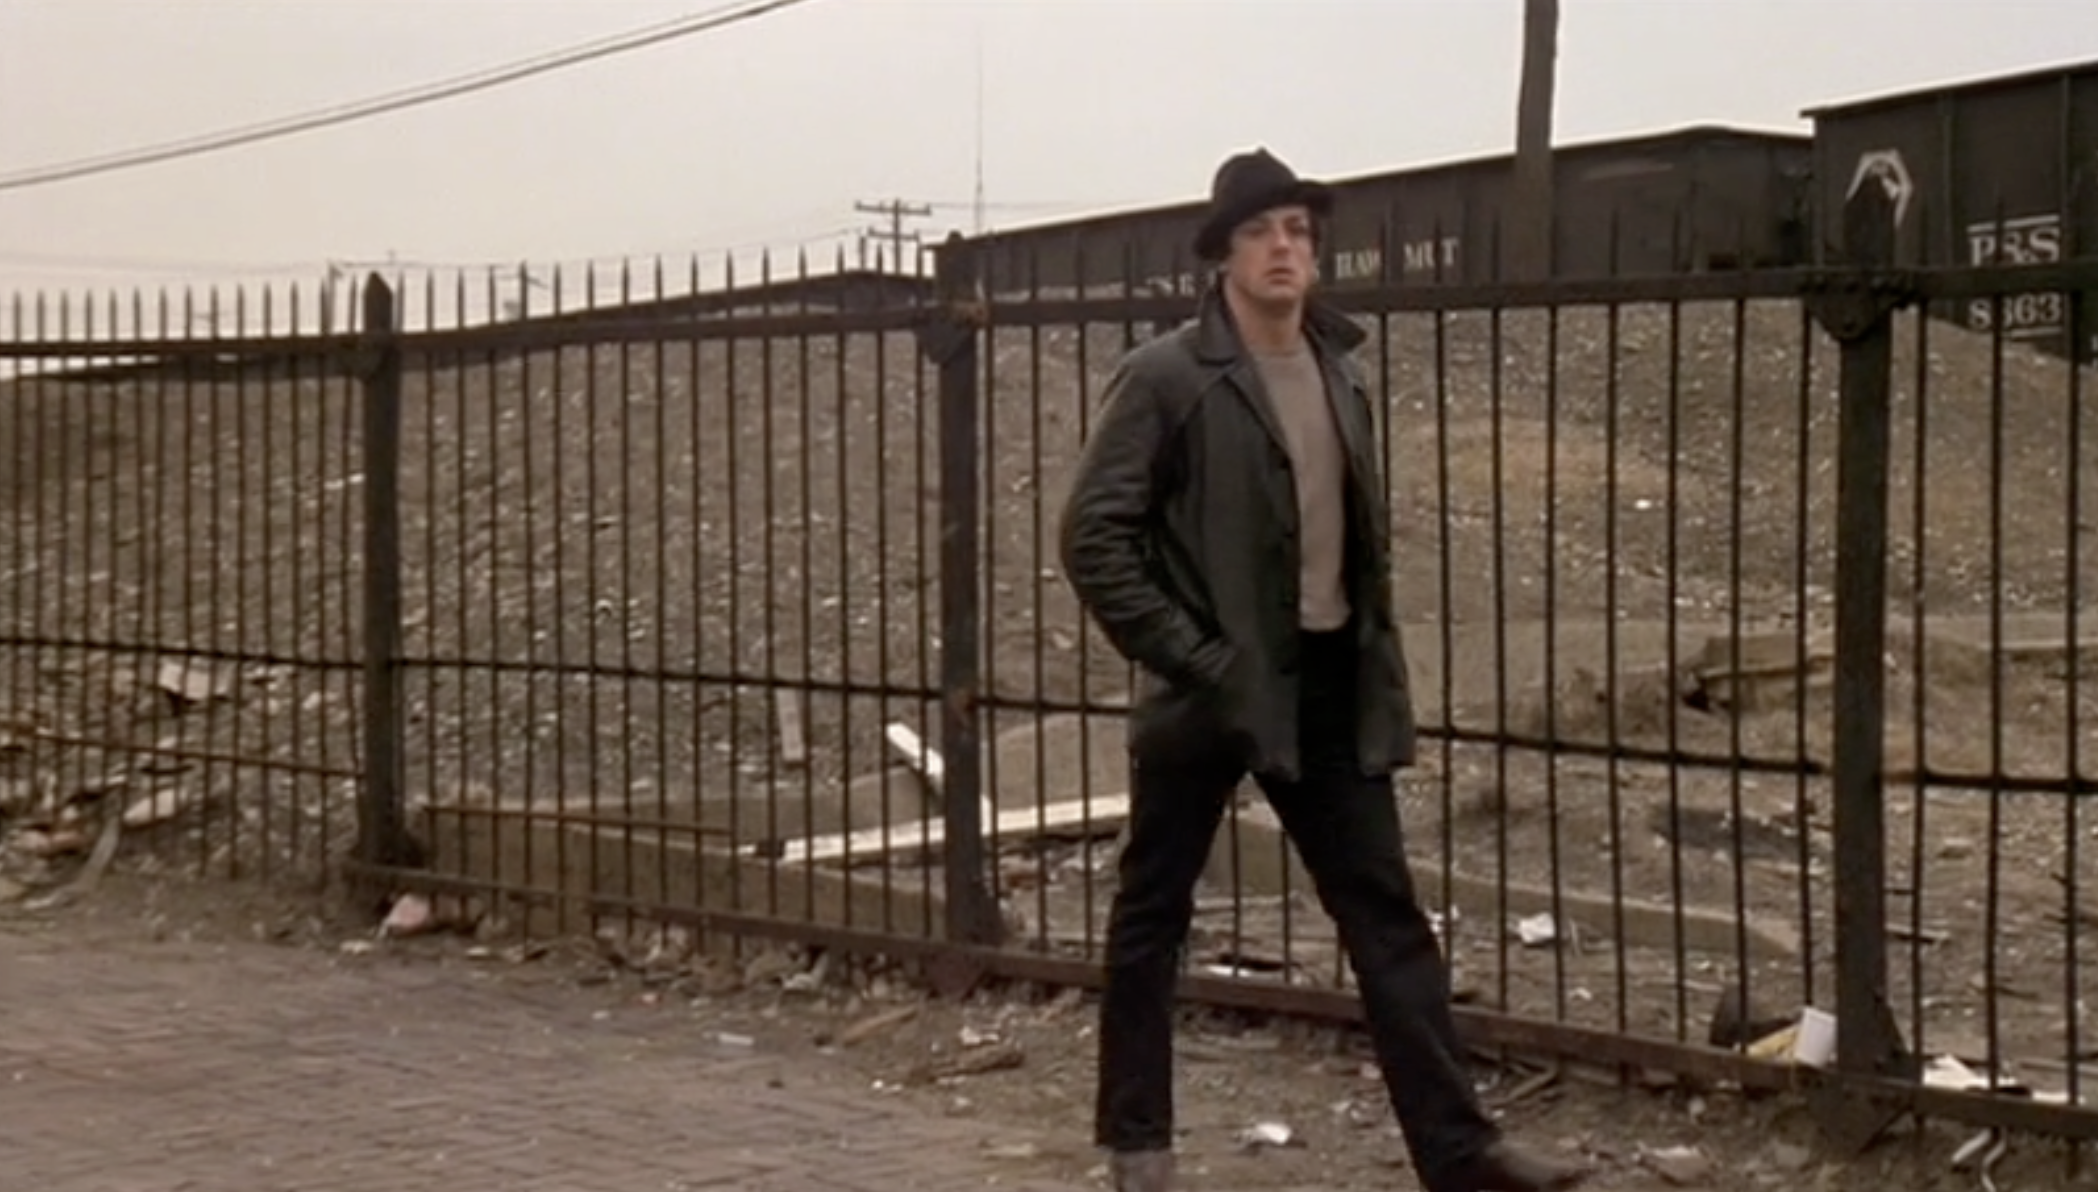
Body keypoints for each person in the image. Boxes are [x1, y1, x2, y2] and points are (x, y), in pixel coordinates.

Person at [1057, 148, 1595, 1192]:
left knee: (1385, 918)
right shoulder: (1167, 375)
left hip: (1330, 685)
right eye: (1262, 232)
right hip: (1209, 692)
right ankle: (1139, 1147)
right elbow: (1092, 537)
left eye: (1299, 230)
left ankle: (1463, 1153)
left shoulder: (1341, 370)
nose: (1284, 248)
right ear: (1220, 256)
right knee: (1152, 917)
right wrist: (1193, 655)